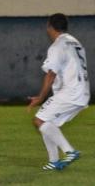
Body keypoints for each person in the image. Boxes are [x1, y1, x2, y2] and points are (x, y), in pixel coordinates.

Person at [28, 13, 90, 170]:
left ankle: (70, 151)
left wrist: (40, 97)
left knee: (39, 120)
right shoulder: (74, 42)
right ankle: (54, 161)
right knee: (48, 123)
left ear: (49, 27)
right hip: (82, 92)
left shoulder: (57, 46)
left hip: (70, 92)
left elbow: (51, 74)